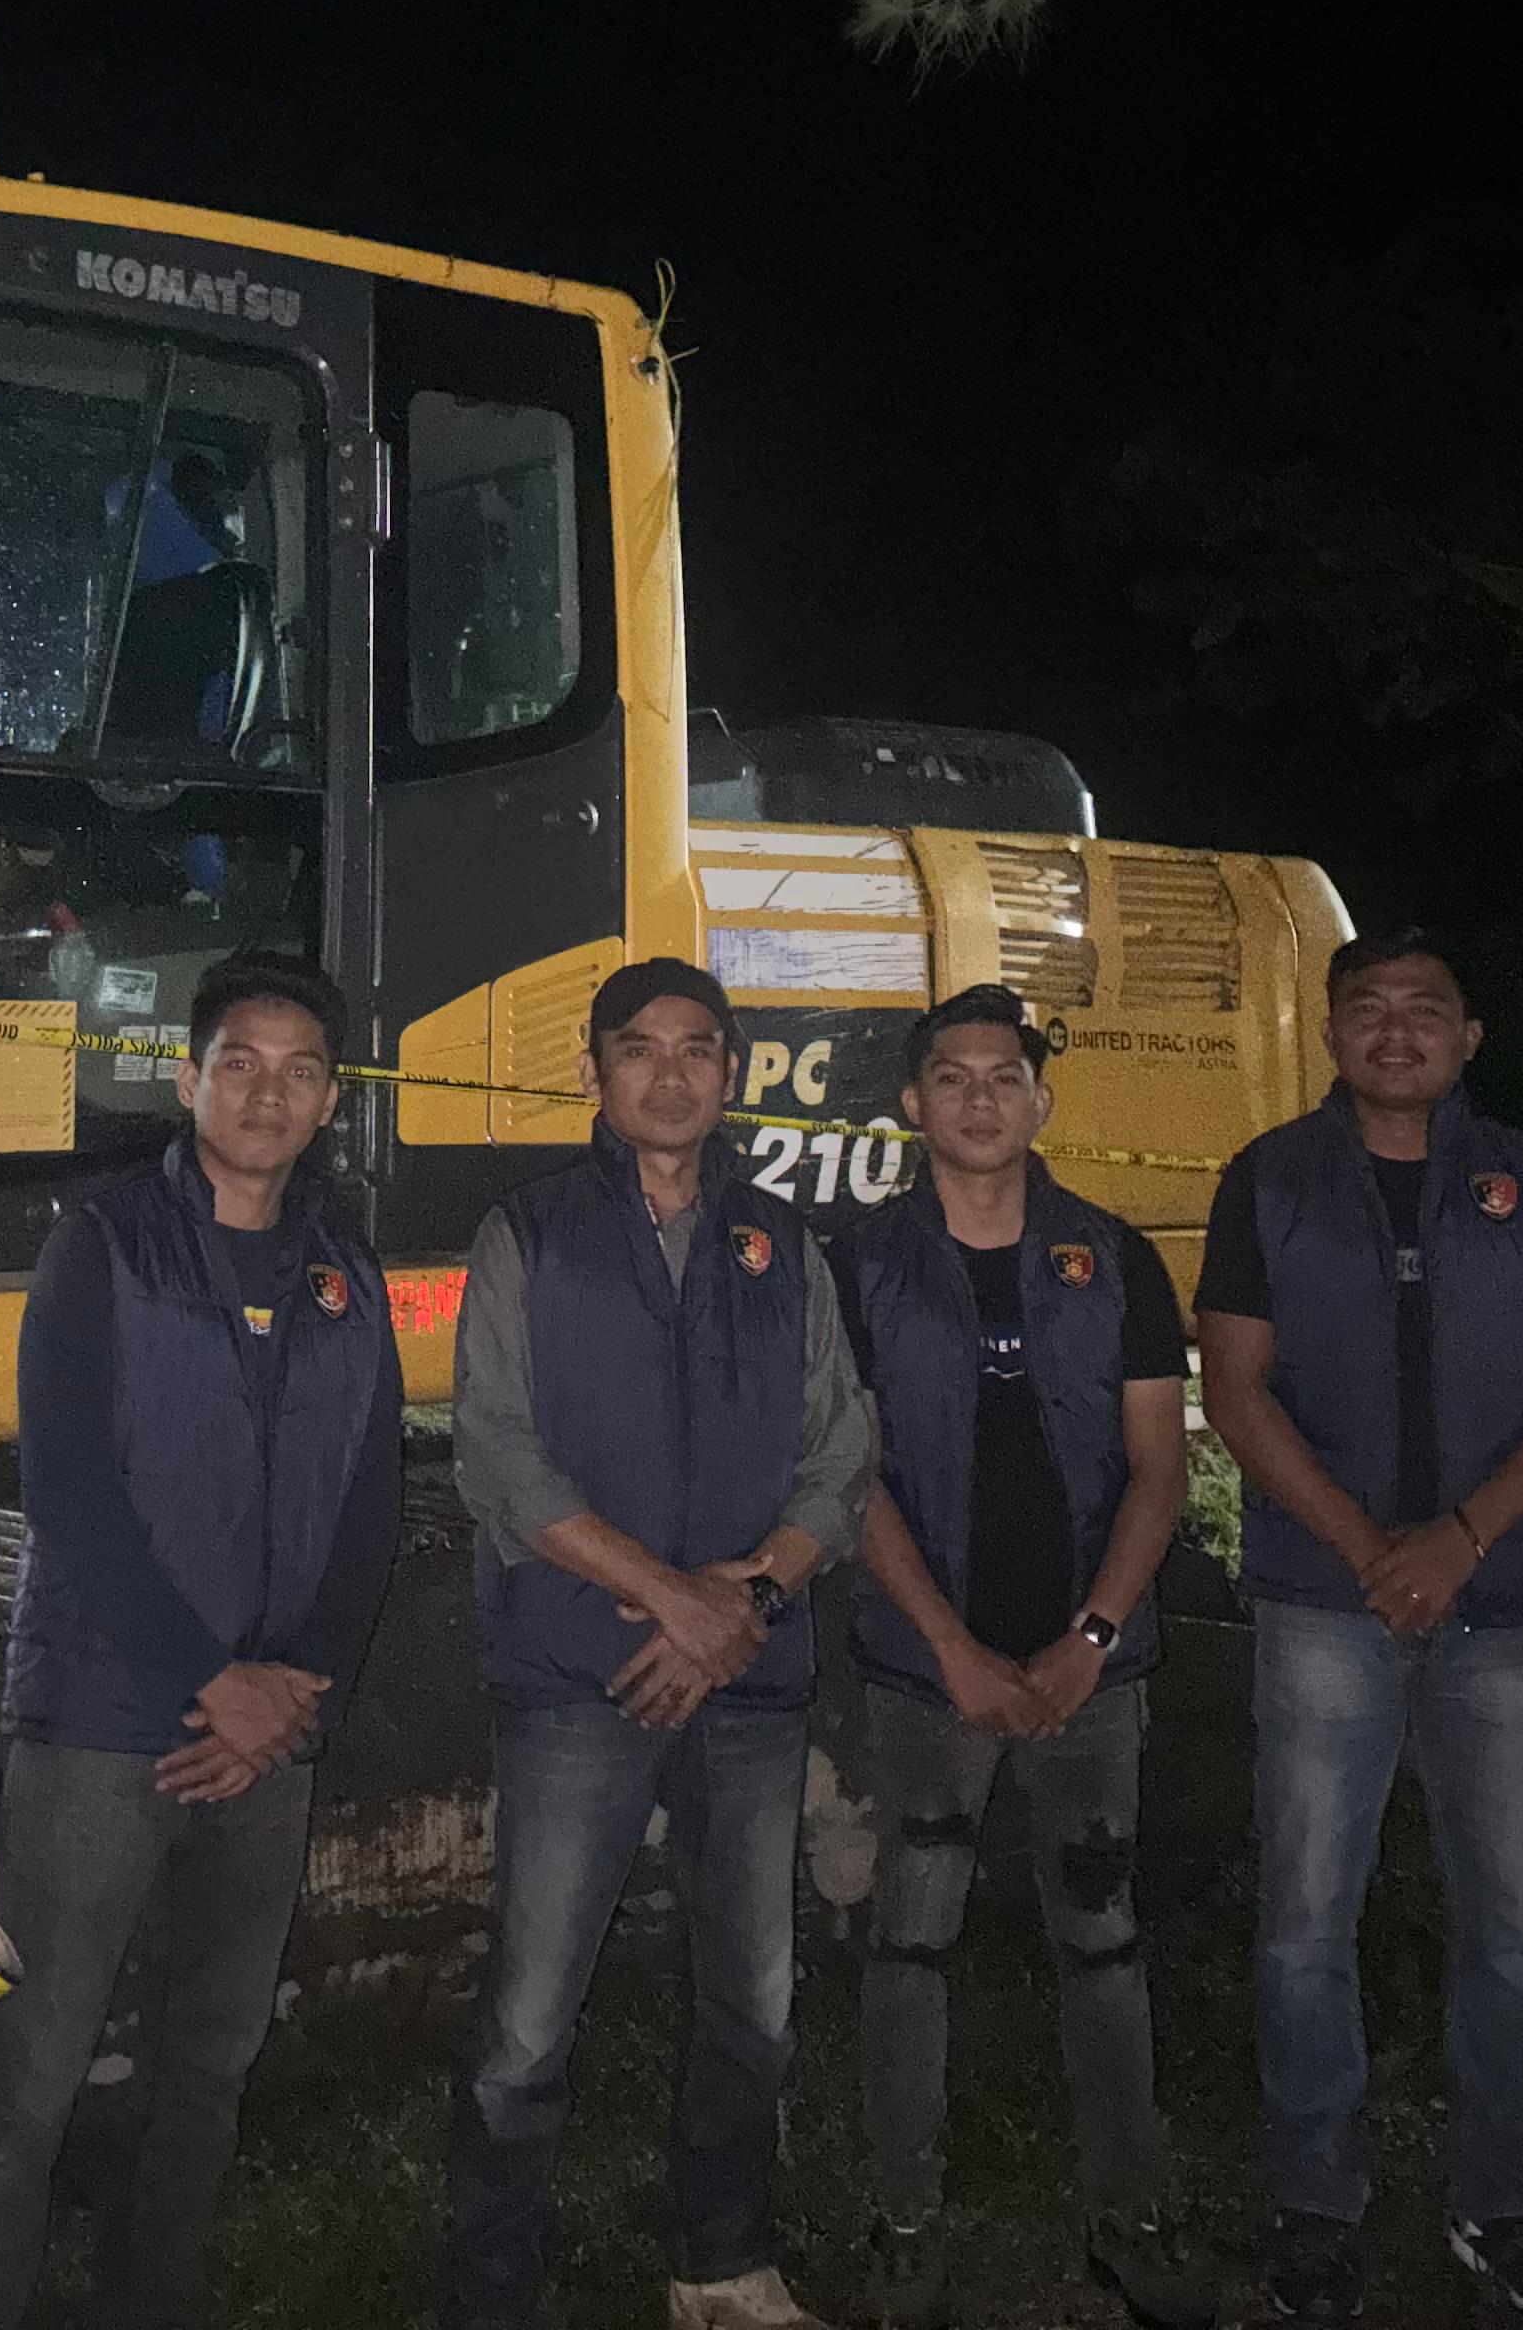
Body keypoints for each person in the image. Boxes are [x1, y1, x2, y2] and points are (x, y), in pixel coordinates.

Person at [0, 948, 407, 2326]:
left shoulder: (344, 1272)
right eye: (240, 1064)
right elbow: (69, 1488)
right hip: (100, 1728)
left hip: (272, 1741)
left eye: (301, 1071)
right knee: (25, 2082)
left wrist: (298, 1697)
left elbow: (369, 1501)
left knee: (210, 2065)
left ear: (330, 1099)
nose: (269, 1094)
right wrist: (213, 1683)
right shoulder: (102, 1243)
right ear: (187, 1078)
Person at [1192, 929, 1523, 2328]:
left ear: (1468, 1036)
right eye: (1366, 1008)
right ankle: (1318, 2209)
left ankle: (1500, 2203)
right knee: (1305, 1922)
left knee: (1508, 1927)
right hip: (1326, 1604)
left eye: (1424, 1009)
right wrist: (1372, 1550)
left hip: (1504, 1605)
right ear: (1329, 1033)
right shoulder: (1270, 1180)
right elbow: (1235, 1388)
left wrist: (1461, 1538)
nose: (1394, 1030)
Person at [442, 956, 878, 2330]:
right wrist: (669, 1596)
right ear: (594, 1071)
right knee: (529, 2020)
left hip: (749, 1678)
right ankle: (492, 2292)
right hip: (578, 1674)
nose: (671, 1073)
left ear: (733, 1073)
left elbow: (842, 1459)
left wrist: (747, 1603)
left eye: (699, 1049)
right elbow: (496, 1453)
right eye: (641, 1047)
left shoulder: (783, 1248)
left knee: (754, 1998)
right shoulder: (528, 1234)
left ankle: (723, 2261)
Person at [829, 984, 1208, 2330]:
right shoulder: (857, 1266)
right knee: (908, 1947)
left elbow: (1159, 1467)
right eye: (953, 1076)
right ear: (912, 1104)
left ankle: (1132, 2212)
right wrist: (953, 1650)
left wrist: (1091, 1638)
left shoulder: (1115, 1258)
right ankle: (904, 2225)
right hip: (925, 1673)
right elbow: (850, 1471)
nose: (980, 1098)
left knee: (1104, 1938)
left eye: (1005, 1076)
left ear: (1043, 1102)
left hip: (1090, 1669)